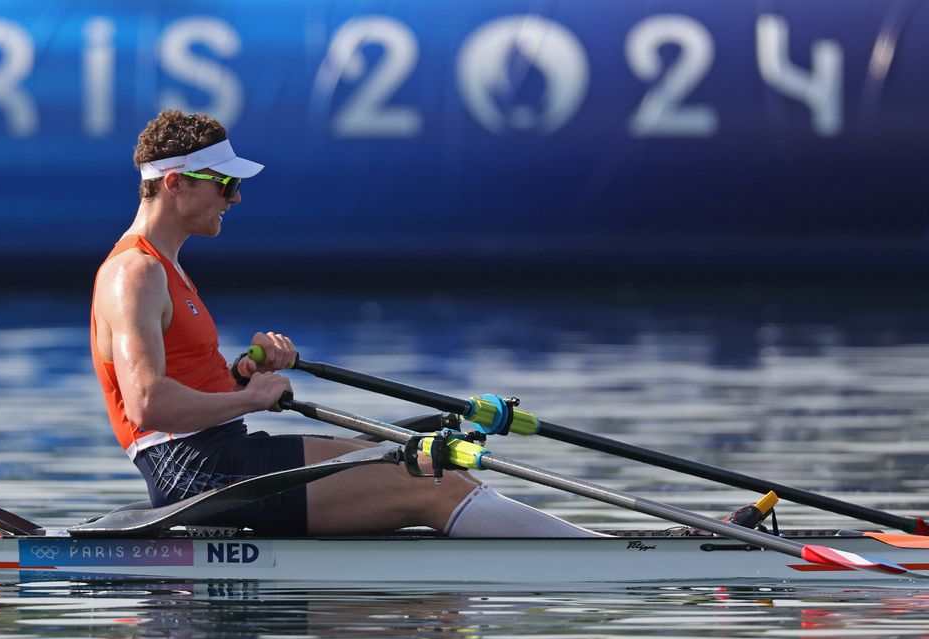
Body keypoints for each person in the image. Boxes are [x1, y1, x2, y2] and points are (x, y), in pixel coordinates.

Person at [90, 109, 602, 538]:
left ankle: (460, 599)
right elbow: (149, 405)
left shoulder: (165, 268)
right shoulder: (134, 273)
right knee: (430, 478)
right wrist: (249, 399)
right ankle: (599, 557)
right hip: (193, 469)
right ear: (175, 184)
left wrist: (240, 376)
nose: (236, 198)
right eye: (226, 184)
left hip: (220, 452)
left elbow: (185, 389)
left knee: (423, 454)